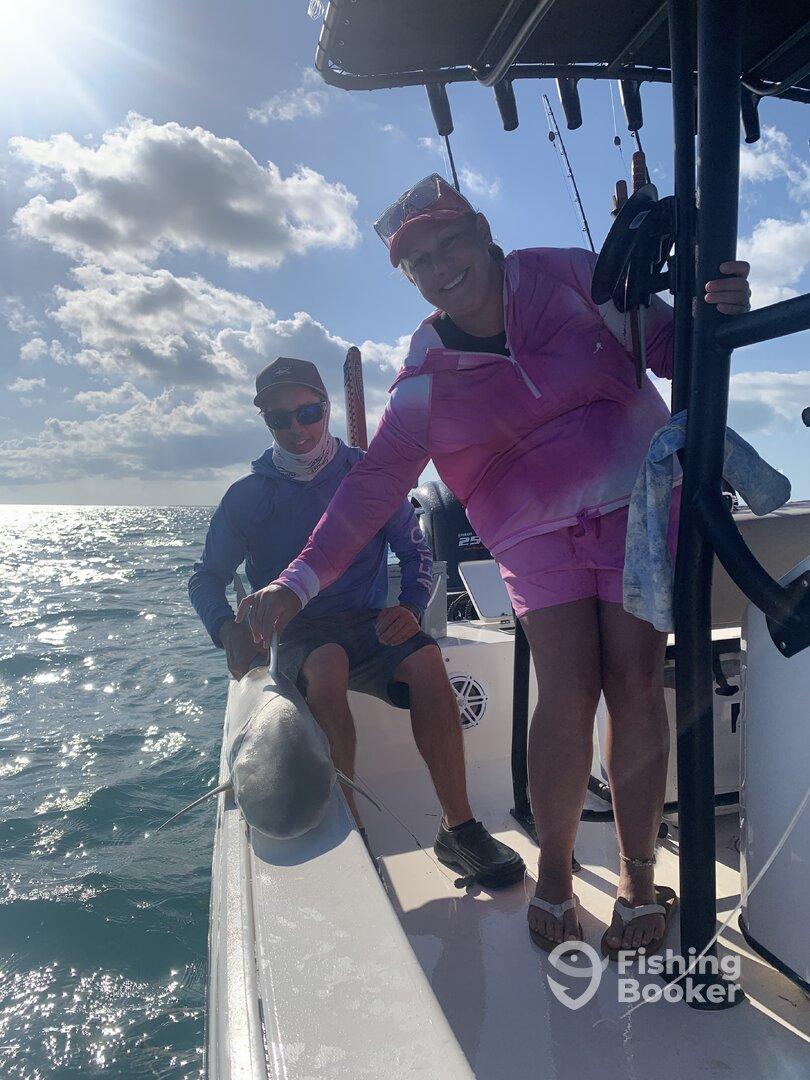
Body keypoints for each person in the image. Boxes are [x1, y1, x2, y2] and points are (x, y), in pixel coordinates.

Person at [236, 177, 751, 957]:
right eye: (419, 262)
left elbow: (675, 350)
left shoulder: (577, 276)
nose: (442, 267)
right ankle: (554, 872)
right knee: (568, 691)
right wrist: (295, 581)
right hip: (532, 536)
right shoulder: (424, 382)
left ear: (484, 231)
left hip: (641, 505)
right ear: (409, 279)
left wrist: (719, 310)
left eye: (451, 244)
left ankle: (640, 880)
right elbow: (371, 489)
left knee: (637, 683)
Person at [189, 355, 524, 886]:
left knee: (428, 659)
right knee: (326, 663)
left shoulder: (367, 476)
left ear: (326, 408)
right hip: (299, 634)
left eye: (309, 411)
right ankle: (352, 837)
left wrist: (411, 608)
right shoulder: (248, 497)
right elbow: (205, 578)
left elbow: (415, 554)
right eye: (280, 418)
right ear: (265, 423)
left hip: (369, 622)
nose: (297, 428)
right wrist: (227, 629)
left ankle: (458, 830)